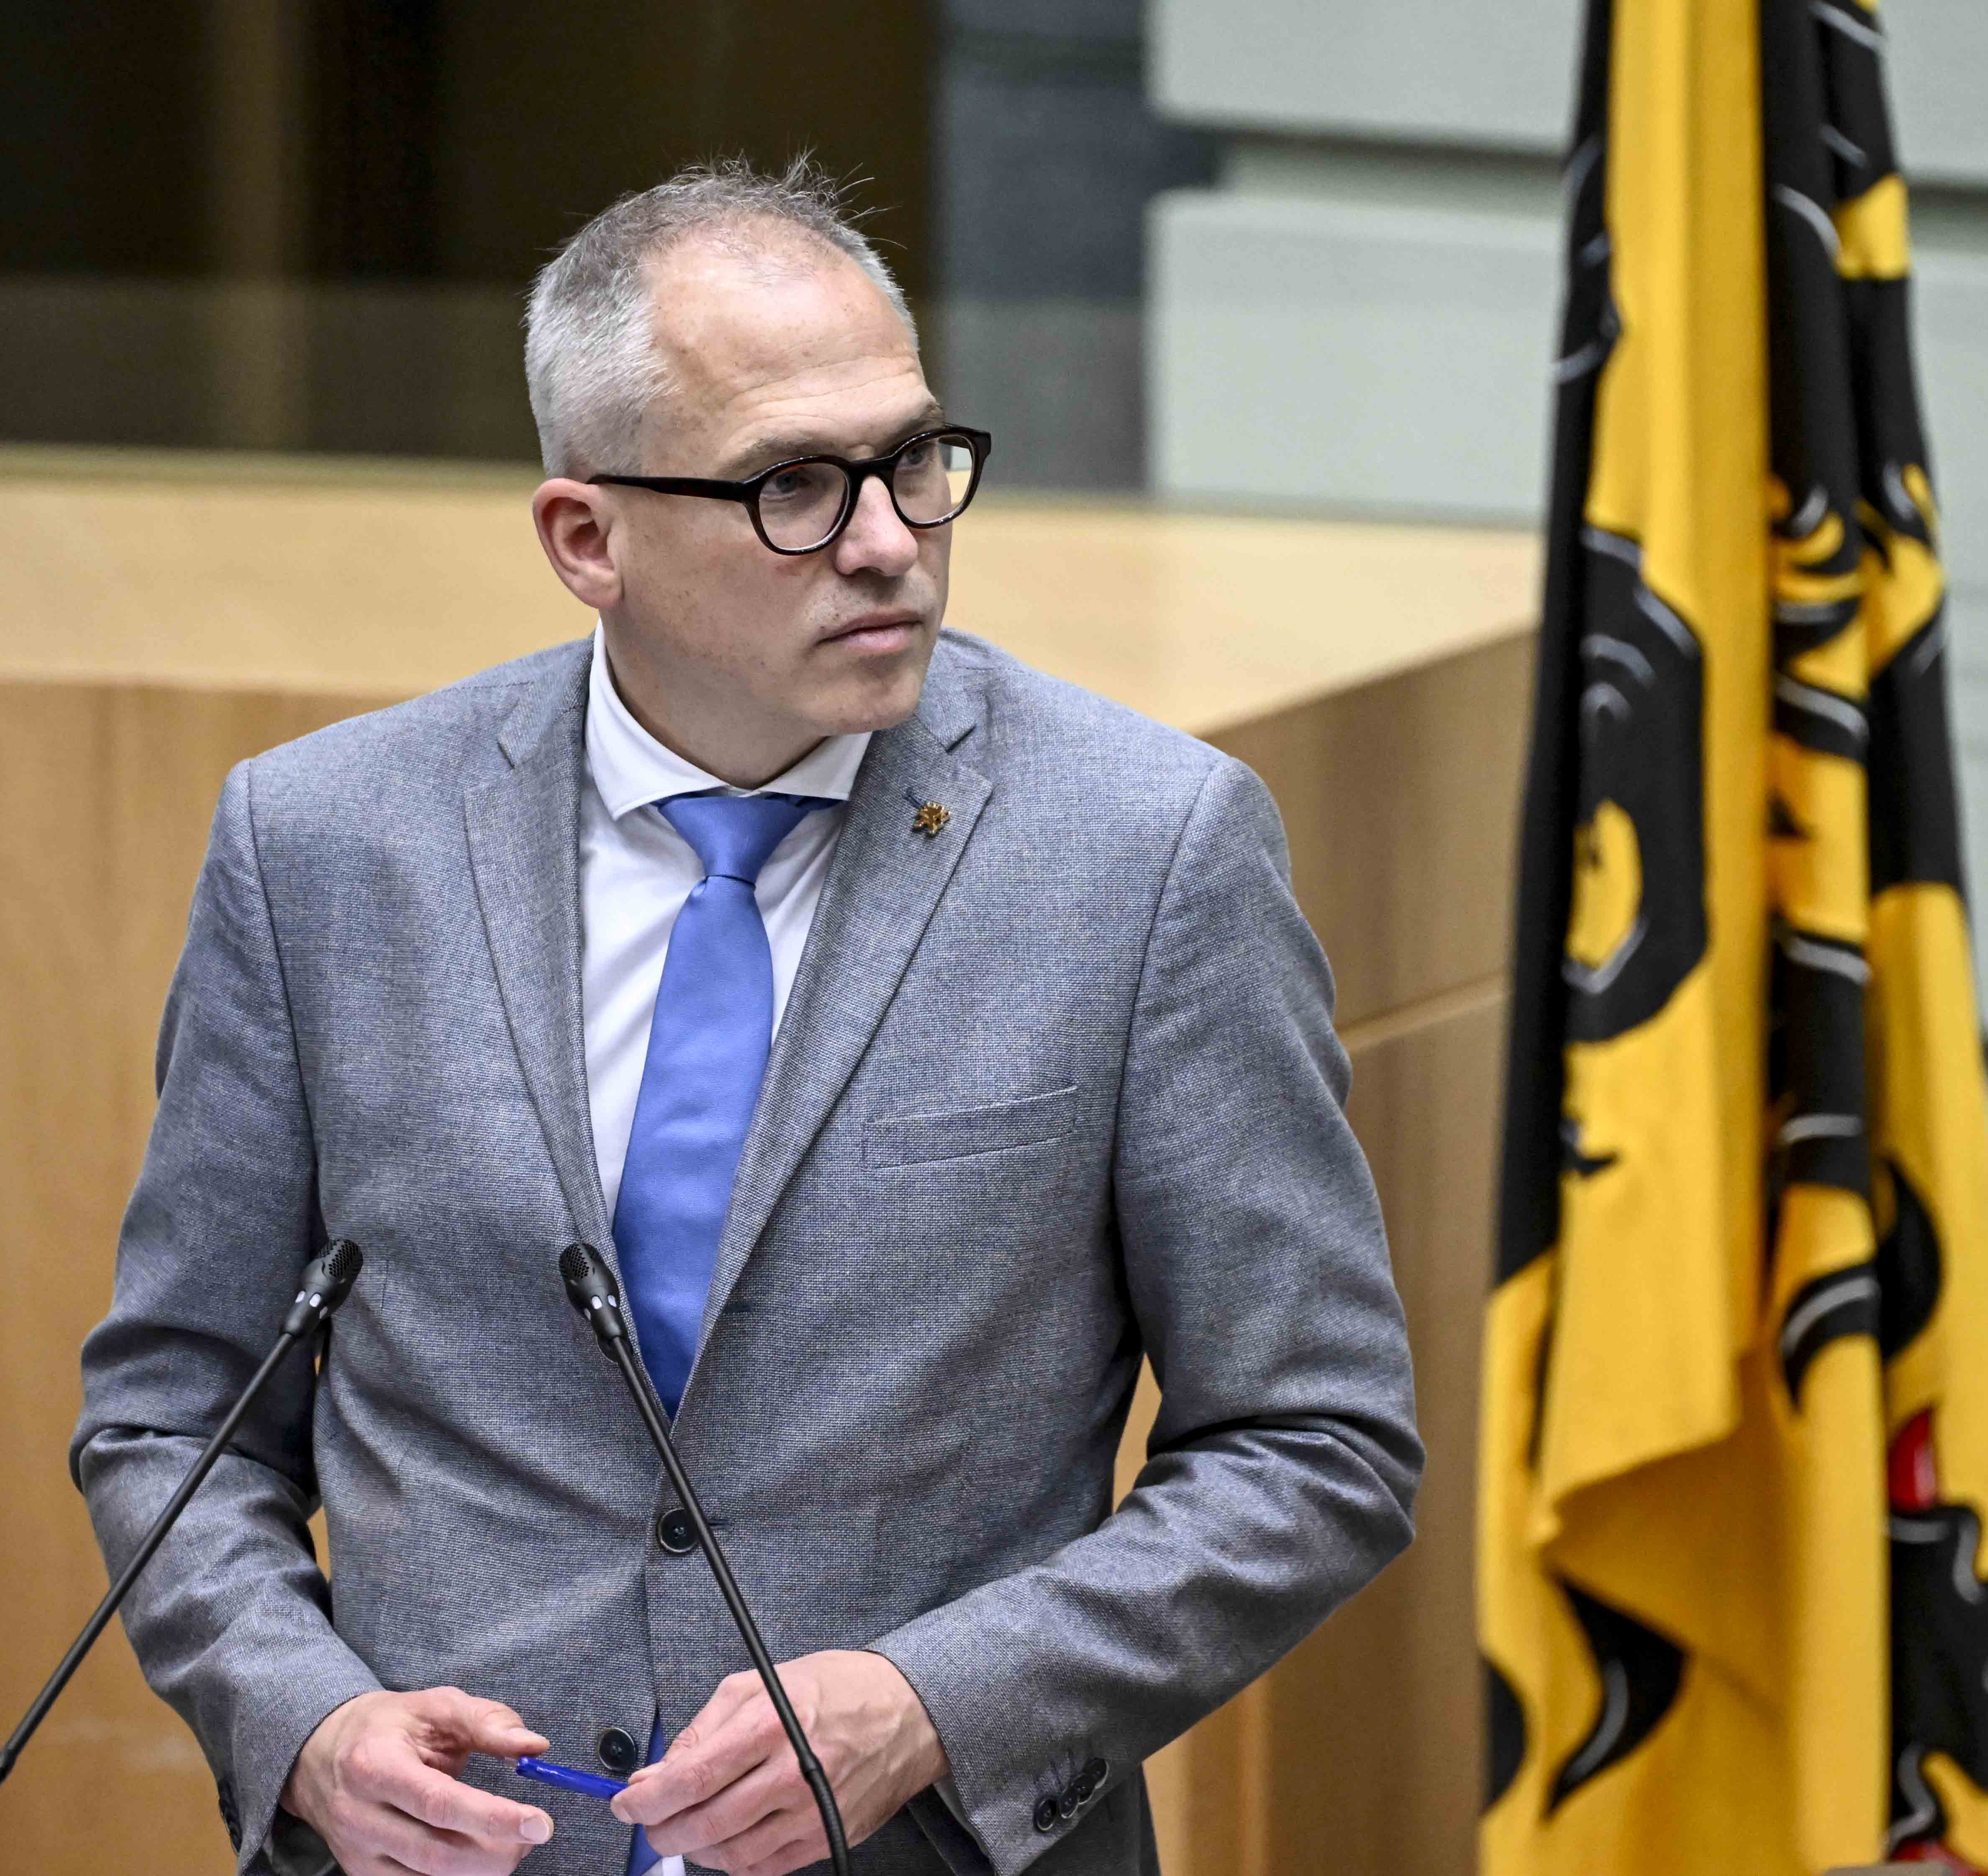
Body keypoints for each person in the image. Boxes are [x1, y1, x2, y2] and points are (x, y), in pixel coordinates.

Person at [72, 156, 1420, 1876]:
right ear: (587, 539)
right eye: (793, 485)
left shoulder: (1146, 852)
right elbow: (171, 1417)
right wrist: (307, 1721)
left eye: (913, 461)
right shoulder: (325, 845)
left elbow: (1315, 1441)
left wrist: (934, 1703)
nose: (887, 542)